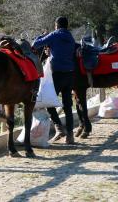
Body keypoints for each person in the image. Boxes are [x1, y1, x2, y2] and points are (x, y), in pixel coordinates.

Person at [32, 16, 76, 144]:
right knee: (68, 106)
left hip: (57, 75)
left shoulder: (54, 34)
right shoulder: (70, 36)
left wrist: (43, 35)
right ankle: (70, 136)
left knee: (49, 103)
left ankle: (59, 128)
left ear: (56, 25)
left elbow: (36, 44)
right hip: (70, 74)